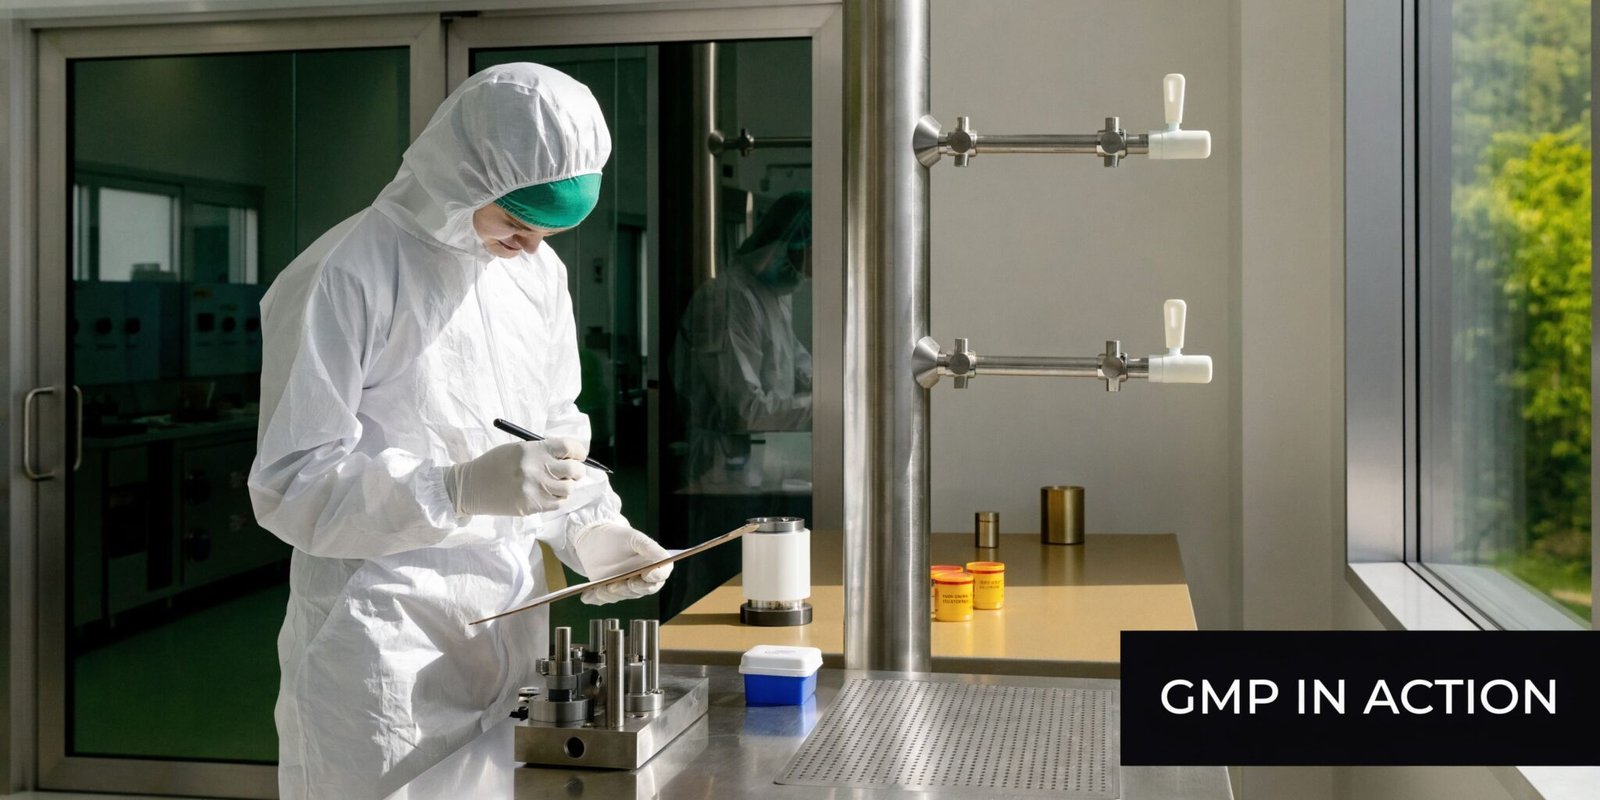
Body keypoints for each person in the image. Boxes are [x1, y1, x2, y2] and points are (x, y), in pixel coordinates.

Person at [248, 63, 671, 800]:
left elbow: (556, 430)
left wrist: (591, 531)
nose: (530, 247)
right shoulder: (345, 273)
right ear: (461, 178)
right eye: (515, 223)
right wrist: (455, 488)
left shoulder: (535, 277)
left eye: (548, 233)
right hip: (384, 638)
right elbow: (292, 484)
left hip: (508, 629)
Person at [674, 190, 814, 487]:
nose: (812, 269)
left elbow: (797, 363)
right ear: (787, 244)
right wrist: (821, 406)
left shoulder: (773, 295)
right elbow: (745, 412)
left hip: (762, 457)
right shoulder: (730, 299)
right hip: (725, 466)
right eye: (810, 252)